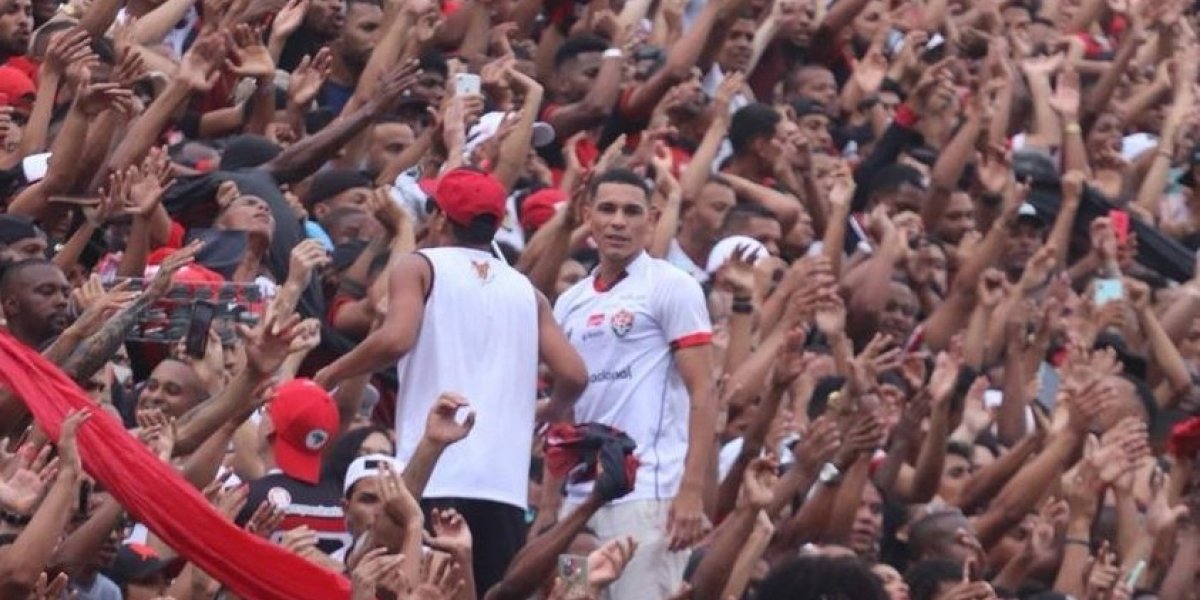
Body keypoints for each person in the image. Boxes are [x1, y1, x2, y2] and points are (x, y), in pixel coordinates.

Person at [315, 167, 587, 591]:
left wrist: (332, 371)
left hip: (432, 477)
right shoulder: (525, 290)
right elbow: (573, 374)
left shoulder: (420, 266)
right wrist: (549, 410)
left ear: (440, 217)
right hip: (504, 489)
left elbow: (395, 338)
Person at [553, 168, 716, 599]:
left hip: (649, 493)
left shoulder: (672, 287)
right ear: (588, 215)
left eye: (631, 211)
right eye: (606, 209)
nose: (618, 221)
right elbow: (567, 410)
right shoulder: (570, 302)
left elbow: (704, 391)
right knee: (572, 596)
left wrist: (691, 492)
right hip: (581, 498)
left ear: (653, 218)